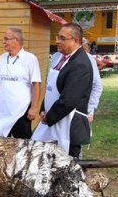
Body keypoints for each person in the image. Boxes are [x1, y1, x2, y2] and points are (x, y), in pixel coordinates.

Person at [32, 23, 93, 158]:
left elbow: (69, 100)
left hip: (68, 124)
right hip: (52, 118)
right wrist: (43, 109)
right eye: (57, 37)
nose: (57, 41)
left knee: (68, 164)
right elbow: (51, 88)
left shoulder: (80, 64)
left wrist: (49, 116)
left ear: (75, 41)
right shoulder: (60, 58)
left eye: (62, 38)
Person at [0, 27, 41, 138]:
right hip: (0, 111)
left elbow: (36, 85)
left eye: (6, 39)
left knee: (23, 145)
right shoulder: (1, 58)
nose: (4, 42)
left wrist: (34, 108)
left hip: (21, 112)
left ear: (16, 40)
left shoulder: (30, 59)